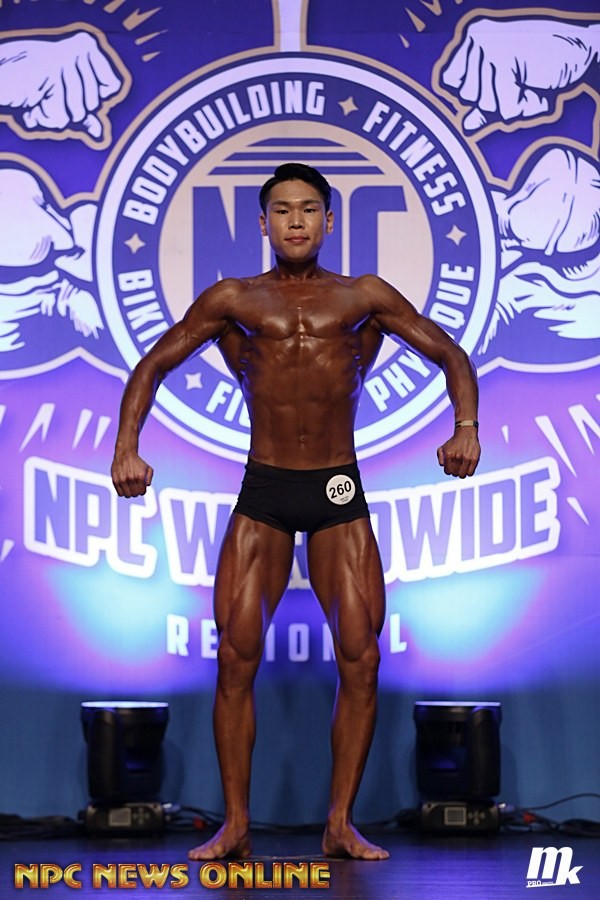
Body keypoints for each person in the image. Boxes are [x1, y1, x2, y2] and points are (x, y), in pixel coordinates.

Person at [111, 163, 481, 861]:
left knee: (361, 658)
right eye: (282, 210)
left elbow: (450, 354)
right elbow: (153, 364)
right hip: (267, 489)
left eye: (308, 209)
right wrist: (126, 447)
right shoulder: (234, 299)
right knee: (236, 657)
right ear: (263, 224)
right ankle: (235, 824)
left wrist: (465, 427)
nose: (295, 221)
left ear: (329, 220)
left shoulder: (363, 296)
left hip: (337, 486)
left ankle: (340, 823)